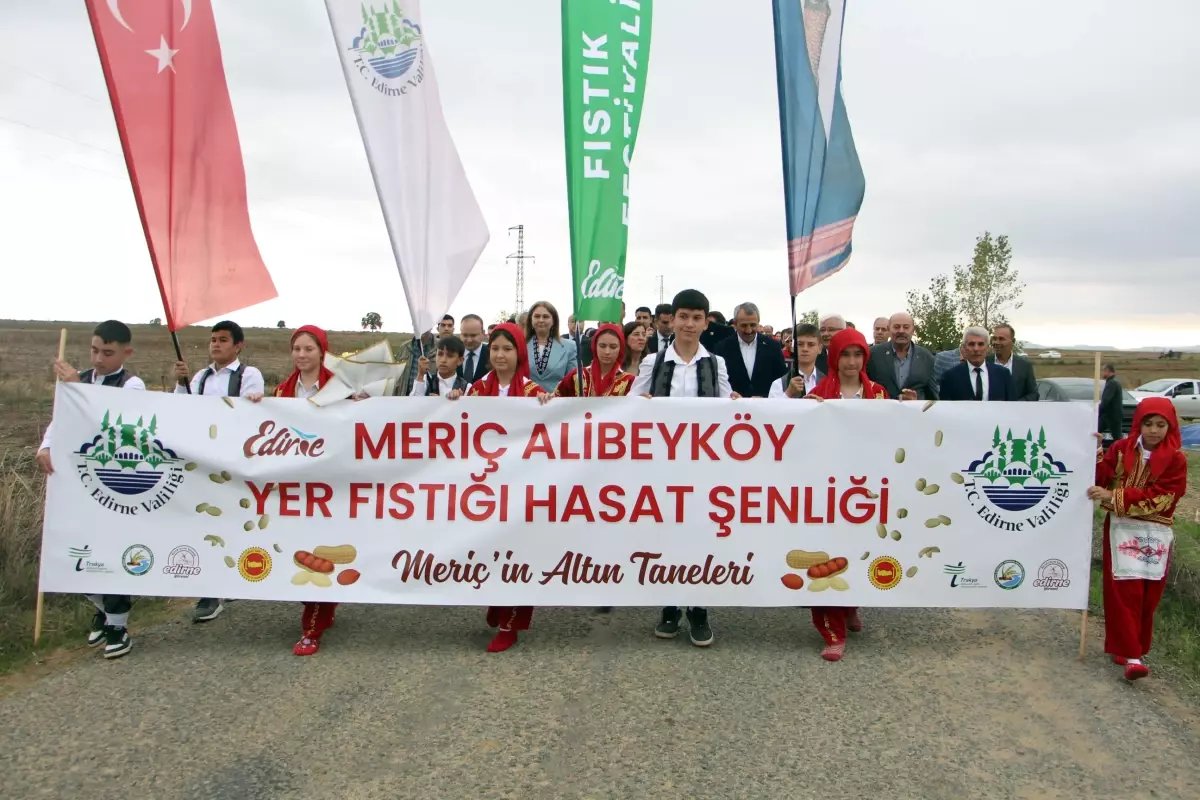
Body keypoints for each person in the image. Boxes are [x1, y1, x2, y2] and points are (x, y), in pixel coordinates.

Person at [36, 320, 146, 660]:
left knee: (112, 551)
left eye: (108, 353)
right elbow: (61, 418)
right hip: (80, 482)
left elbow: (119, 426)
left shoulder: (133, 385)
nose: (99, 359)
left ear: (126, 352)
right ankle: (100, 607)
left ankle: (118, 625)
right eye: (95, 351)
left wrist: (77, 389)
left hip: (117, 484)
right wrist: (46, 445)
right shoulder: (80, 379)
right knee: (74, 549)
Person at [631, 289, 733, 647]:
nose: (689, 324)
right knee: (667, 534)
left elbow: (728, 408)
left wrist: (735, 403)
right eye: (683, 316)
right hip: (663, 467)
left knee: (701, 533)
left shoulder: (716, 363)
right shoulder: (653, 363)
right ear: (672, 320)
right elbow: (631, 408)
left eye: (696, 317)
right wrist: (639, 404)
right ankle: (670, 604)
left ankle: (699, 607)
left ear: (706, 322)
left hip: (704, 467)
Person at [1087, 398, 1187, 681]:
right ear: (1138, 424)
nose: (1154, 431)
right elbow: (1101, 478)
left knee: (1148, 594)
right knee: (1123, 591)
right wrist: (1093, 452)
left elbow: (1164, 497)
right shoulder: (1120, 450)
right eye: (1148, 423)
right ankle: (1133, 656)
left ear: (1170, 426)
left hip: (1156, 533)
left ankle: (1131, 646)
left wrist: (1113, 496)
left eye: (1160, 424)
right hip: (1121, 528)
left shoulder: (1176, 460)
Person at [802, 328, 887, 661]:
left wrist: (909, 410)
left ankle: (850, 604)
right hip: (828, 489)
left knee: (860, 550)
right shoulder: (821, 392)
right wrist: (804, 411)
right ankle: (832, 630)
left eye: (857, 354)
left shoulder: (879, 394)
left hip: (865, 491)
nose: (851, 362)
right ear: (834, 358)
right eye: (844, 355)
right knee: (827, 555)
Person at [467, 323, 552, 652]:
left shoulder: (532, 392)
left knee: (518, 553)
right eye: (495, 349)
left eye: (507, 349)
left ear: (518, 354)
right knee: (489, 548)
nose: (500, 355)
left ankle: (510, 622)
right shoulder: (476, 390)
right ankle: (496, 601)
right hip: (485, 488)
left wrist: (551, 405)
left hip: (520, 488)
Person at [256, 326, 340, 656]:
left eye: (309, 349)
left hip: (330, 486)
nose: (302, 355)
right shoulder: (281, 392)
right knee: (295, 549)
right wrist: (255, 405)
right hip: (293, 487)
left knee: (319, 550)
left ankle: (312, 625)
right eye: (297, 349)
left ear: (322, 352)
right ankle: (323, 606)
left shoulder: (340, 388)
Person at [174, 320, 265, 623]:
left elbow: (251, 413)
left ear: (238, 345)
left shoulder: (248, 375)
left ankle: (241, 572)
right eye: (213, 339)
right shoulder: (199, 378)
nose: (216, 345)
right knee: (208, 522)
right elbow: (180, 411)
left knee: (239, 519)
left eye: (223, 340)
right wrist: (180, 383)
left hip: (236, 461)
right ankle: (210, 591)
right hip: (205, 461)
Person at [712, 302, 788, 398]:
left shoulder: (773, 346)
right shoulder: (721, 348)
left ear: (758, 322)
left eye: (753, 325)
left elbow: (781, 379)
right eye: (744, 326)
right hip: (734, 408)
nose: (748, 330)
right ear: (735, 324)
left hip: (766, 408)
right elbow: (718, 382)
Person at [867, 312, 938, 401]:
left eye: (906, 327)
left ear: (913, 330)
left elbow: (932, 396)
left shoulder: (926, 357)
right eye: (896, 327)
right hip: (881, 411)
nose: (901, 331)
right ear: (889, 329)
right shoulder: (873, 354)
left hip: (914, 413)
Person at [555, 324, 634, 398]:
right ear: (595, 346)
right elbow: (556, 400)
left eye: (613, 347)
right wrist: (546, 397)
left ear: (620, 349)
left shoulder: (629, 381)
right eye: (602, 346)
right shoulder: (577, 376)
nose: (607, 352)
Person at [938, 327, 1015, 401]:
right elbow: (947, 409)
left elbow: (1010, 406)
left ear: (988, 348)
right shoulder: (950, 377)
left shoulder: (1003, 374)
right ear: (964, 348)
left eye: (981, 344)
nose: (976, 349)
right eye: (971, 344)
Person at [524, 300, 578, 392]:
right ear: (531, 320)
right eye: (537, 316)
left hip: (557, 402)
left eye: (546, 317)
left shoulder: (570, 347)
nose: (541, 320)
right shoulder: (520, 345)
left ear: (554, 321)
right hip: (527, 402)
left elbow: (574, 380)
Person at [768, 323, 823, 398]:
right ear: (793, 347)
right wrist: (788, 394)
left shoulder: (829, 382)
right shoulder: (779, 384)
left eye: (811, 344)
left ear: (820, 348)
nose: (805, 349)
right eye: (800, 344)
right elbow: (772, 409)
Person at [988, 324, 1038, 401]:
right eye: (994, 339)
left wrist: (1015, 405)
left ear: (1013, 341)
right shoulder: (985, 362)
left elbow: (1034, 394)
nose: (996, 342)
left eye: (1001, 339)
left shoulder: (1024, 365)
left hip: (1015, 411)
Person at [458, 314, 490, 383]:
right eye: (465, 335)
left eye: (473, 335)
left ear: (483, 333)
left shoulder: (491, 355)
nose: (469, 340)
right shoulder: (454, 354)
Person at [1099, 363, 1125, 443]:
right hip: (1112, 415)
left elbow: (1106, 400)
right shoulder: (1114, 382)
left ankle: (1121, 453)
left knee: (1117, 437)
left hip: (1111, 415)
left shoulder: (1112, 383)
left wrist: (1098, 411)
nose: (1103, 373)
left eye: (1104, 371)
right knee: (1117, 436)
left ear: (1108, 371)